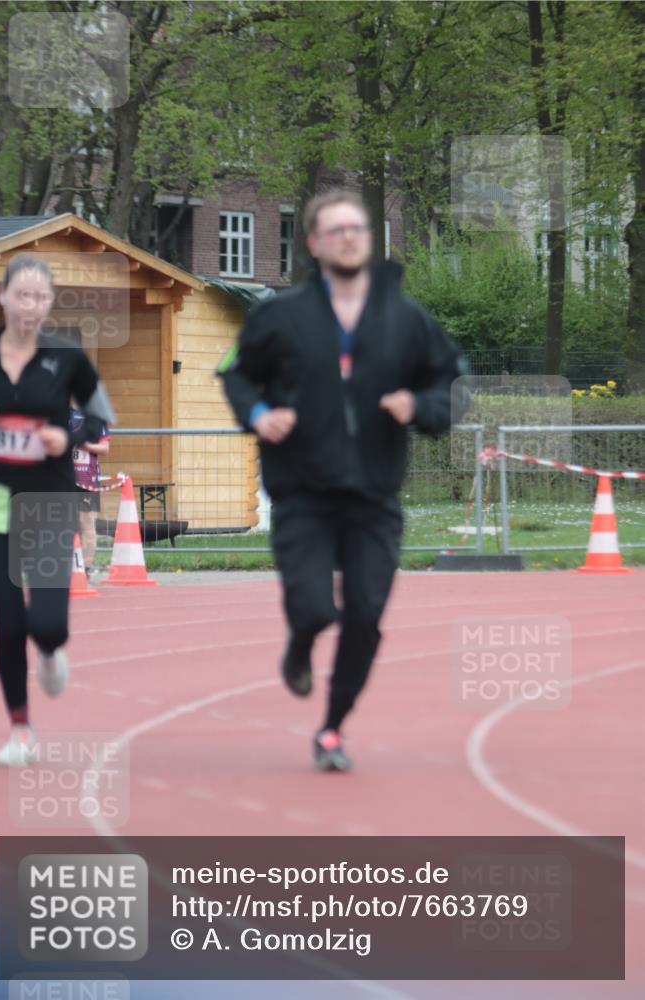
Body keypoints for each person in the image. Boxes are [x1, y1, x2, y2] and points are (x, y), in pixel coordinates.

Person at [219, 189, 469, 772]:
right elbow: (235, 375)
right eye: (336, 230)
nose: (350, 237)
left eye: (358, 228)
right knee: (313, 608)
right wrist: (258, 414)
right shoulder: (279, 315)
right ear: (314, 243)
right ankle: (301, 643)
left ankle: (332, 727)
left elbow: (452, 382)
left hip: (374, 496)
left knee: (365, 614)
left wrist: (420, 405)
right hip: (302, 492)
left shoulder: (405, 317)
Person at [0, 255, 115, 766]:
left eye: (40, 297)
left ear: (49, 303)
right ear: (3, 297)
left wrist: (69, 436)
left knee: (48, 625)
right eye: (22, 295)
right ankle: (20, 730)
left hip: (49, 500)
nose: (30, 306)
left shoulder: (67, 357)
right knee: (9, 623)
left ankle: (52, 650)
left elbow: (101, 418)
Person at [69, 404, 110, 578]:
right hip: (63, 479)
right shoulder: (58, 411)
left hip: (87, 481)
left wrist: (84, 445)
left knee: (87, 523)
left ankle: (85, 568)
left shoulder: (96, 416)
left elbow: (105, 448)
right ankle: (62, 567)